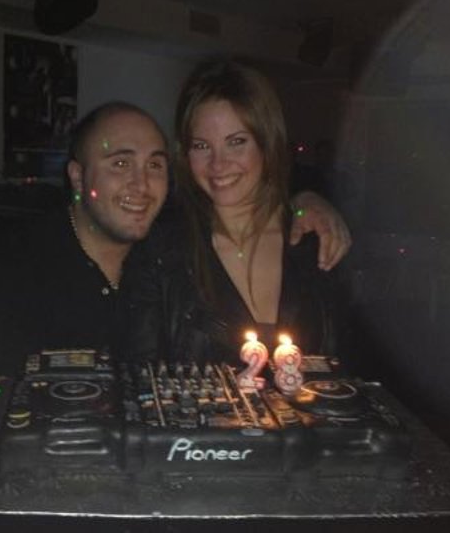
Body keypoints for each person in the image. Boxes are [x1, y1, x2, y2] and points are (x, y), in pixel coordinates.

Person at [0, 100, 351, 423]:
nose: (141, 185)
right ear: (79, 178)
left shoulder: (168, 248)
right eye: (120, 164)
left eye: (155, 165)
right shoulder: (17, 270)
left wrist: (305, 201)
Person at [121, 58, 341, 367]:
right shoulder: (160, 252)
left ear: (267, 143)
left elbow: (346, 371)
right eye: (201, 146)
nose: (218, 165)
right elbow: (139, 375)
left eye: (236, 142)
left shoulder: (316, 240)